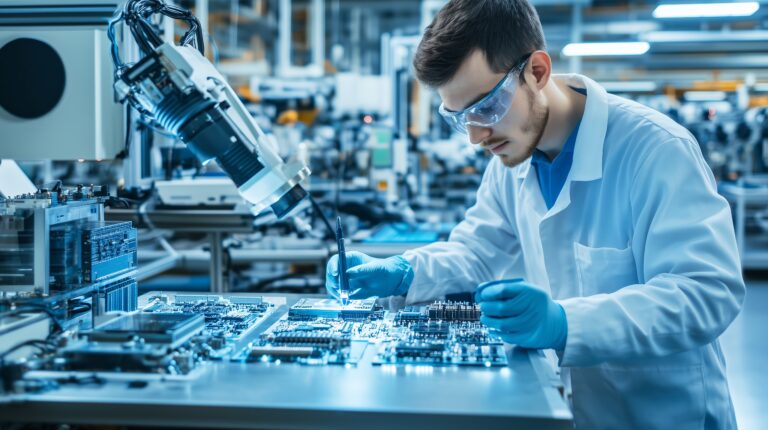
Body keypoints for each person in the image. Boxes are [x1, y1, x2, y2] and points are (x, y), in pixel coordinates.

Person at [325, 0, 745, 428]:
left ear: (538, 72)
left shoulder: (655, 149)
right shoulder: (510, 162)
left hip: (663, 416)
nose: (475, 136)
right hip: (569, 410)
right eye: (459, 118)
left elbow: (706, 292)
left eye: (485, 109)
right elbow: (477, 252)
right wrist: (402, 271)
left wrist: (565, 323)